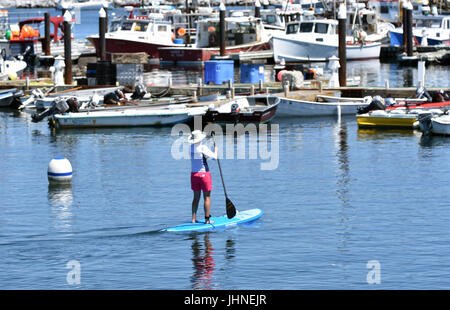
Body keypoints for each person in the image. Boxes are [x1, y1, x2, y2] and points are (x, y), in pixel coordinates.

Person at [188, 130, 218, 224]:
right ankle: (207, 219)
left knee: (196, 197)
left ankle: (193, 219)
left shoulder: (190, 147)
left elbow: (199, 158)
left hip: (194, 175)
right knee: (207, 197)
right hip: (204, 175)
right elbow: (214, 157)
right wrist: (216, 150)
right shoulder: (203, 147)